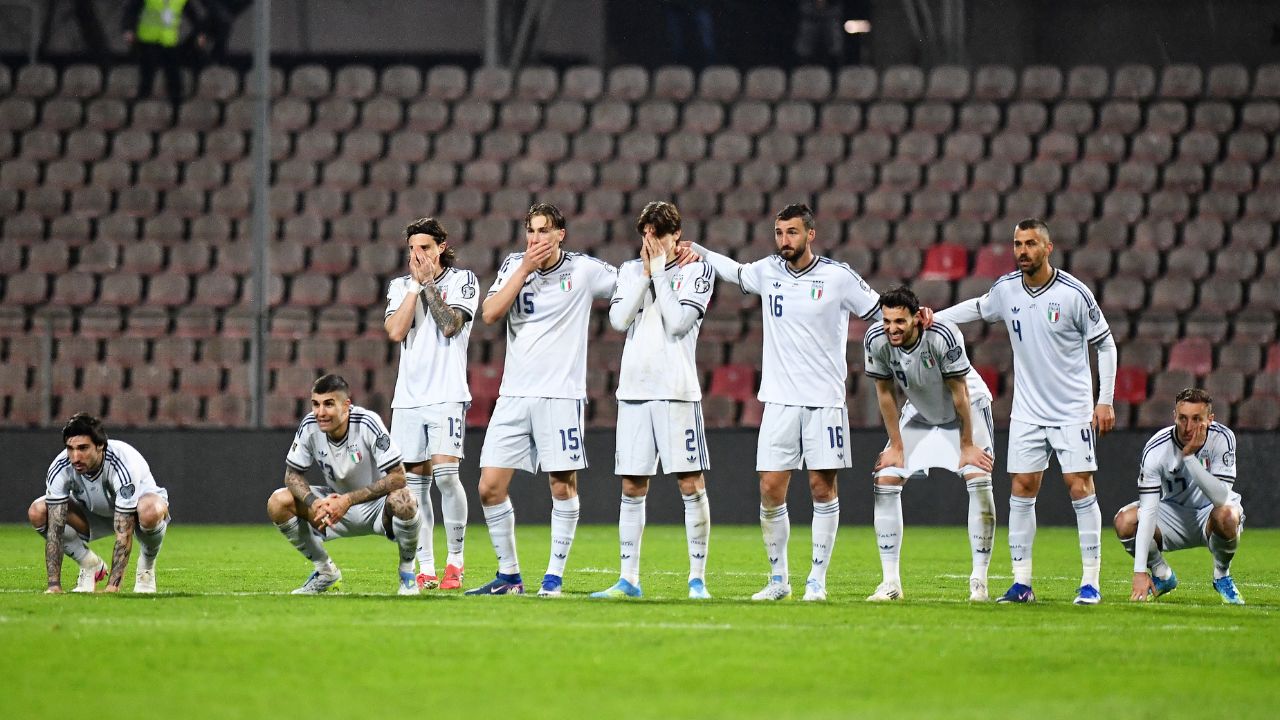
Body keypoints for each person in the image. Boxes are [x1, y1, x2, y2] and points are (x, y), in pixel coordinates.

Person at [689, 203, 880, 601]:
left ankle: (818, 580)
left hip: (825, 400)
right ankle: (779, 580)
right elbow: (734, 271)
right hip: (778, 401)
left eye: (792, 233)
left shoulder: (838, 277)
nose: (784, 241)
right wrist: (700, 251)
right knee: (770, 488)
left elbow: (879, 312)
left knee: (822, 488)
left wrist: (916, 320)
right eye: (779, 233)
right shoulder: (768, 270)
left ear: (811, 234)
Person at [937, 218, 1117, 605]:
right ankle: (1022, 583)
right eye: (1017, 243)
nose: (1022, 250)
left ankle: (1090, 582)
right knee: (1022, 488)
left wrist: (1105, 400)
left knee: (1080, 487)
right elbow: (979, 308)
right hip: (1028, 413)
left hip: (1072, 411)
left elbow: (1106, 345)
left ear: (1048, 248)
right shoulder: (1006, 290)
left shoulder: (1074, 294)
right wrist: (936, 318)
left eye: (1031, 243)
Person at [466, 203, 618, 597]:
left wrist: (666, 259)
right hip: (514, 395)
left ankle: (553, 577)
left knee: (562, 485)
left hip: (560, 396)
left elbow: (629, 284)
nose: (536, 239)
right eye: (531, 231)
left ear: (560, 235)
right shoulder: (514, 266)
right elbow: (489, 313)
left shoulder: (584, 270)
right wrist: (522, 271)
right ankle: (510, 576)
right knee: (489, 487)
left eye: (544, 231)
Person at [591, 201, 715, 600]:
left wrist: (660, 272)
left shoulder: (697, 270)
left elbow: (679, 323)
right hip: (634, 390)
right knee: (631, 485)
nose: (651, 241)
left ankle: (697, 578)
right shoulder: (629, 271)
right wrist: (647, 274)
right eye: (645, 233)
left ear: (676, 234)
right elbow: (618, 320)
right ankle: (629, 579)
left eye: (658, 234)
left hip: (676, 390)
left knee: (690, 482)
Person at [863, 287, 997, 602]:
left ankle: (979, 580)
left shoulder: (942, 337)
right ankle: (891, 583)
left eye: (899, 321)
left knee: (978, 478)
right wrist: (896, 446)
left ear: (916, 318)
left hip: (966, 408)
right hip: (922, 412)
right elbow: (885, 393)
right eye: (887, 320)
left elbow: (959, 392)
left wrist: (966, 445)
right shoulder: (876, 340)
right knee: (885, 478)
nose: (892, 328)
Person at [385, 217, 478, 591]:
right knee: (414, 488)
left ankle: (455, 560)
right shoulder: (399, 286)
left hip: (446, 394)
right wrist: (414, 288)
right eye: (412, 248)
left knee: (447, 476)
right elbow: (394, 332)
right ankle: (426, 566)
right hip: (408, 399)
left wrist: (428, 286)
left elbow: (450, 325)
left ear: (441, 247)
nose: (417, 254)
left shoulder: (463, 281)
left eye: (424, 247)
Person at [266, 374, 422, 595]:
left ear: (346, 405)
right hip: (333, 507)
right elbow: (292, 475)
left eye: (329, 404)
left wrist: (348, 500)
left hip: (376, 508)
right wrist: (313, 503)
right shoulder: (310, 425)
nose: (320, 412)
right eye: (316, 404)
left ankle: (407, 574)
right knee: (278, 502)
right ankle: (325, 572)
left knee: (405, 500)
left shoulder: (367, 423)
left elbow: (398, 477)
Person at [1115, 388, 1245, 604]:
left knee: (1228, 515)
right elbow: (1148, 510)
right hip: (1173, 513)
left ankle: (1222, 576)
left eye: (1196, 419)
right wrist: (1139, 572)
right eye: (1182, 418)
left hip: (1209, 514)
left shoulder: (1222, 438)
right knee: (1124, 520)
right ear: (1174, 415)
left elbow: (1221, 498)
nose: (1188, 427)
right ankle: (1162, 574)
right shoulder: (1156, 448)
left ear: (1210, 420)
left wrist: (1189, 457)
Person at [30, 413, 170, 594]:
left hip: (134, 513)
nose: (75, 457)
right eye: (70, 448)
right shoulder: (60, 468)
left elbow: (124, 532)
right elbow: (55, 529)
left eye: (83, 448)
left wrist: (113, 587)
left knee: (150, 511)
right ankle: (89, 563)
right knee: (38, 511)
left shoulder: (122, 464)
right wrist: (53, 585)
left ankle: (146, 568)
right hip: (91, 513)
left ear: (100, 446)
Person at [122, 0, 209, 112]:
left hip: (168, 38)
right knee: (147, 68)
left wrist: (200, 33)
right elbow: (131, 10)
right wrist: (128, 29)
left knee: (172, 69)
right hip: (148, 36)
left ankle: (176, 96)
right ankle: (143, 93)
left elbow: (194, 15)